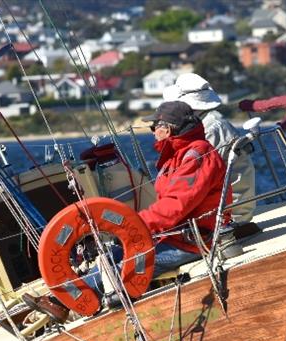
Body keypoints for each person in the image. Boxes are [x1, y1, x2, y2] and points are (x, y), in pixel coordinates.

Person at [23, 101, 239, 321]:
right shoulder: (178, 155)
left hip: (193, 242)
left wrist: (131, 226)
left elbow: (175, 206)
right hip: (172, 237)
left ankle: (64, 302)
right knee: (109, 257)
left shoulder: (197, 155)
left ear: (169, 128)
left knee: (119, 267)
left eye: (155, 127)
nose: (153, 132)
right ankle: (61, 302)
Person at [163, 73, 256, 225]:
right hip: (230, 207)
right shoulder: (207, 122)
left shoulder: (210, 128)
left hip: (231, 215)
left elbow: (200, 177)